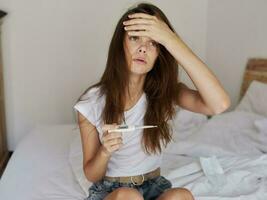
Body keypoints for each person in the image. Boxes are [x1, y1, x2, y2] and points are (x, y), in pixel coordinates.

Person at [74, 3, 231, 200]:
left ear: (160, 52)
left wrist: (171, 39)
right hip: (113, 191)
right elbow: (91, 174)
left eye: (153, 43)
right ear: (119, 45)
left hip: (154, 187)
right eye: (134, 38)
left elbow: (220, 104)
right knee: (129, 196)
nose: (143, 49)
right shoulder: (92, 102)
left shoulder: (167, 93)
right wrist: (104, 151)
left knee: (181, 196)